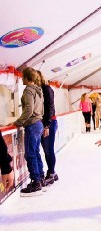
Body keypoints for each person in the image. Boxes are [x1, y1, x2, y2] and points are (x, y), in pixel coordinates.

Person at [7, 67, 46, 196]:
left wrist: (17, 122)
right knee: (35, 152)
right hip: (38, 123)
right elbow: (41, 109)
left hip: (33, 124)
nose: (21, 79)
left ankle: (36, 182)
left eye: (22, 77)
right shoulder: (38, 90)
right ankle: (40, 178)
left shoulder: (28, 91)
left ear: (26, 78)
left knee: (30, 154)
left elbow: (28, 110)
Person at [37, 71, 59, 184]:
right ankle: (51, 172)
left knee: (48, 149)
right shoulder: (40, 89)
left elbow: (50, 107)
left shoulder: (46, 89)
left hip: (49, 123)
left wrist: (47, 125)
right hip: (44, 123)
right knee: (46, 150)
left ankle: (51, 172)